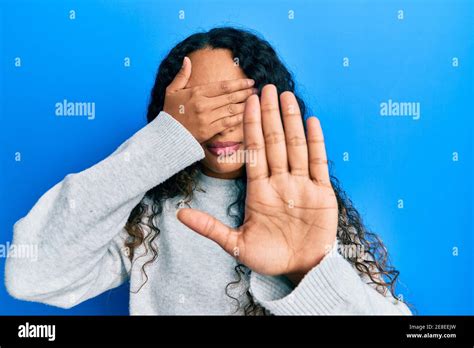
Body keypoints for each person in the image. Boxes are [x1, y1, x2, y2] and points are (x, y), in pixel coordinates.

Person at [5, 27, 411, 315]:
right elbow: (31, 275)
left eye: (236, 103)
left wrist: (307, 269)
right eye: (199, 108)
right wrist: (161, 144)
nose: (220, 124)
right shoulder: (149, 217)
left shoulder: (306, 206)